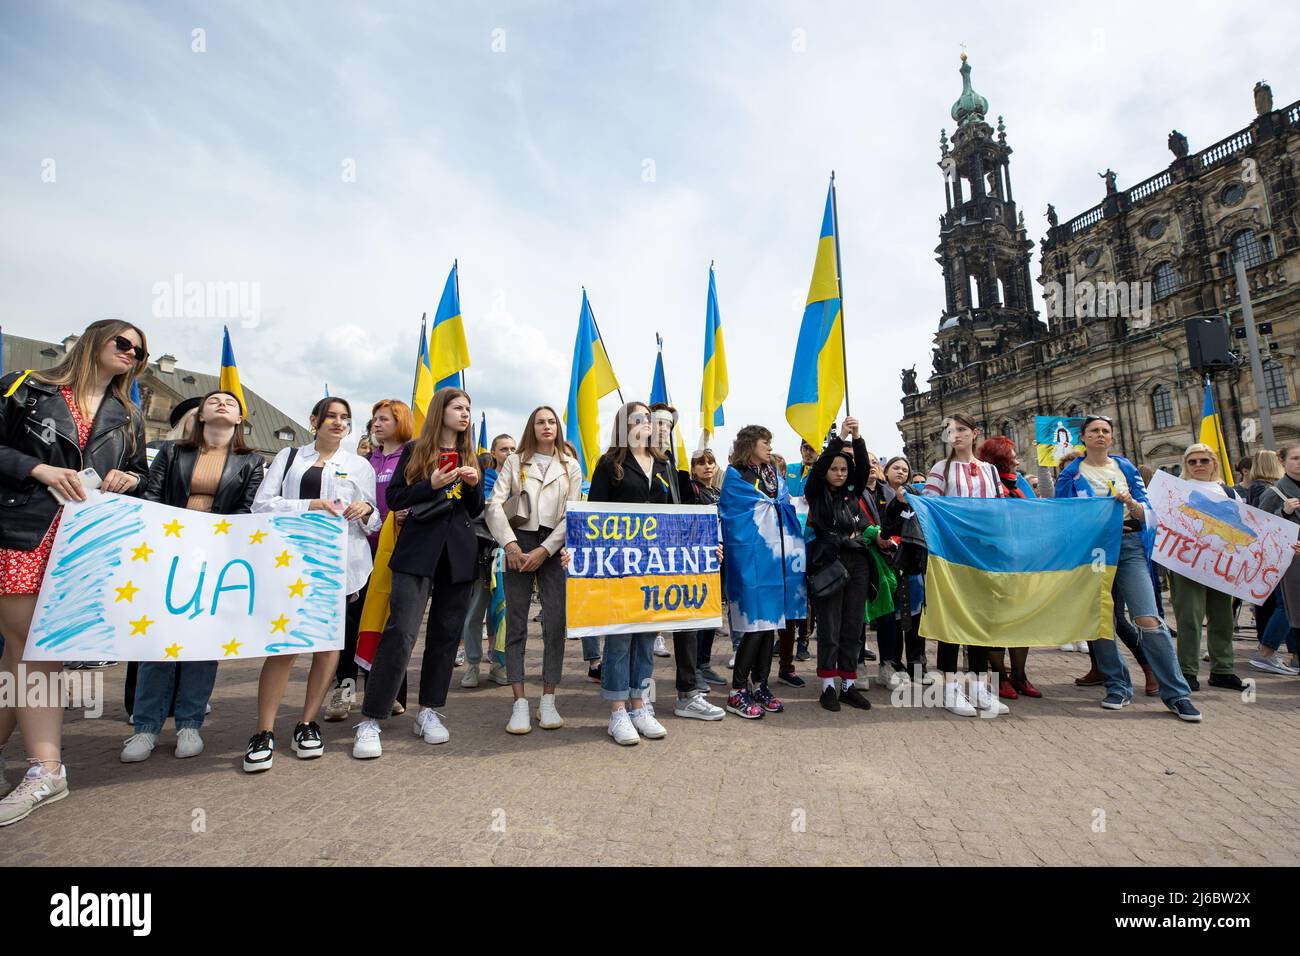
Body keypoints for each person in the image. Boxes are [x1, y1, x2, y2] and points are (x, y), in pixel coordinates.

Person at [0, 320, 150, 826]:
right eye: (123, 343)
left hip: (83, 546)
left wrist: (131, 478)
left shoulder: (129, 415)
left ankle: (40, 766)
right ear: (94, 341)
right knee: (33, 646)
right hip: (24, 530)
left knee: (25, 651)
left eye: (140, 350)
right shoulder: (26, 387)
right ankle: (47, 769)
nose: (133, 353)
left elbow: (143, 476)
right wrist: (34, 467)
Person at [121, 390, 265, 762]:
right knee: (160, 640)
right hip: (170, 554)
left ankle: (189, 723)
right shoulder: (173, 452)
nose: (221, 404)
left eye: (230, 403)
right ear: (200, 415)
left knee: (203, 642)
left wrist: (217, 541)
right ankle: (146, 729)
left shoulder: (251, 461)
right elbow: (152, 497)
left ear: (238, 420)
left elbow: (248, 510)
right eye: (214, 401)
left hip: (216, 559)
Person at [247, 396, 379, 771]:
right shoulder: (290, 457)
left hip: (339, 564)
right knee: (284, 646)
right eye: (331, 417)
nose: (338, 423)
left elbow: (373, 519)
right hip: (291, 562)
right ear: (315, 421)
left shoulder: (359, 465)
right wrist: (312, 505)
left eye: (345, 419)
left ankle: (307, 722)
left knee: (326, 646)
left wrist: (365, 511)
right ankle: (264, 730)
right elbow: (262, 506)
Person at [352, 387, 483, 758]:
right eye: (458, 407)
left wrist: (472, 486)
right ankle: (371, 717)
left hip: (457, 555)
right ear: (441, 411)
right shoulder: (414, 451)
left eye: (468, 408)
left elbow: (475, 510)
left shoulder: (472, 454)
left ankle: (429, 711)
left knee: (444, 637)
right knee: (401, 633)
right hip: (416, 552)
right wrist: (432, 485)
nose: (465, 414)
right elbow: (394, 500)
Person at [1055, 414, 1201, 722]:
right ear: (1083, 437)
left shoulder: (1125, 468)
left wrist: (1131, 504)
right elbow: (1063, 518)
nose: (1100, 435)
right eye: (1094, 431)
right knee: (1102, 619)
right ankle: (1117, 684)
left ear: (1111, 437)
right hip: (1094, 551)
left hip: (1130, 545)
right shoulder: (1070, 474)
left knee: (1147, 617)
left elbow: (1148, 511)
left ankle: (1176, 692)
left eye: (1105, 431)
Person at [485, 407, 582, 734]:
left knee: (555, 621)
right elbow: (494, 505)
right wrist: (511, 546)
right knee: (516, 622)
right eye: (540, 421)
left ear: (558, 427)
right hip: (518, 540)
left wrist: (545, 550)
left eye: (551, 421)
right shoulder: (515, 460)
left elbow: (574, 514)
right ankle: (519, 701)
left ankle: (548, 699)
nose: (546, 426)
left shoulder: (571, 466)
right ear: (531, 426)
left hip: (553, 546)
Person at [587, 403, 674, 744]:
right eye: (637, 418)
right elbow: (594, 514)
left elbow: (676, 515)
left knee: (645, 638)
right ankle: (617, 711)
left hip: (654, 566)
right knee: (620, 638)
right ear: (624, 425)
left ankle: (641, 706)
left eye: (647, 419)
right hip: (620, 565)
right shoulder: (610, 464)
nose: (645, 423)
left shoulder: (665, 464)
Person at [325, 399, 413, 721]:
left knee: (391, 624)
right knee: (351, 625)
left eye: (384, 419)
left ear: (401, 422)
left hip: (396, 553)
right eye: (374, 420)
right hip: (358, 553)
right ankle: (344, 688)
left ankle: (386, 691)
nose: (376, 425)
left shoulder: (412, 458)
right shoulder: (361, 462)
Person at [922, 413, 1009, 717]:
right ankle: (948, 687)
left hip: (983, 553)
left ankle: (978, 686)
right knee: (953, 619)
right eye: (950, 430)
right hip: (952, 554)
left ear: (975, 433)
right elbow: (929, 510)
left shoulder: (990, 471)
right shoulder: (939, 469)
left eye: (961, 430)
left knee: (981, 619)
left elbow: (1000, 509)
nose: (955, 435)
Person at [647, 403, 726, 721]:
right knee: (642, 631)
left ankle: (688, 693)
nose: (663, 429)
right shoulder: (626, 465)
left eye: (669, 424)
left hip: (679, 561)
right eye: (657, 423)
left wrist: (710, 546)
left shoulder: (674, 471)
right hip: (643, 560)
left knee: (688, 624)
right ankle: (640, 696)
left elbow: (690, 519)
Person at [722, 424, 801, 719]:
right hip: (749, 560)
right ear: (749, 445)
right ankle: (737, 691)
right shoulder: (735, 476)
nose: (769, 447)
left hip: (774, 560)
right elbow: (733, 515)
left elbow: (785, 506)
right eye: (764, 442)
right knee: (753, 629)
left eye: (770, 442)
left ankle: (762, 685)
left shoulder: (774, 476)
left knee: (770, 628)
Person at [804, 418, 874, 712]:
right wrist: (840, 437)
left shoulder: (854, 492)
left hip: (856, 560)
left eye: (844, 469)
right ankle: (827, 686)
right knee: (830, 627)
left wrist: (857, 438)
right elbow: (819, 469)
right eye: (835, 469)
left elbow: (865, 471)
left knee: (852, 626)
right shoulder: (816, 493)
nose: (840, 473)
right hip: (828, 562)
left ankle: (848, 684)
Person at [1168, 444, 1245, 691]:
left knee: (1223, 618)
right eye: (1192, 462)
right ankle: (1187, 671)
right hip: (1187, 564)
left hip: (1222, 564)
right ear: (1185, 466)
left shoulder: (1230, 493)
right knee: (1189, 617)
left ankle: (1222, 669)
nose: (1199, 465)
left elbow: (1243, 527)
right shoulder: (1176, 490)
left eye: (1204, 460)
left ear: (1214, 463)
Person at [975, 435, 1041, 699]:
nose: (1016, 459)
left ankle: (1020, 674)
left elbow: (1036, 511)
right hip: (993, 561)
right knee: (996, 622)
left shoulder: (1019, 484)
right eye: (1011, 455)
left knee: (1021, 620)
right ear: (1000, 459)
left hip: (1019, 561)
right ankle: (1000, 676)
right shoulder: (986, 483)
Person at [458, 433, 514, 686]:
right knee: (474, 613)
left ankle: (499, 664)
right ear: (494, 453)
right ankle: (472, 664)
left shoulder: (522, 482)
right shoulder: (482, 480)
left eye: (514, 448)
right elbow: (480, 511)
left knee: (502, 613)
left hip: (511, 555)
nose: (510, 453)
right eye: (504, 449)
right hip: (483, 554)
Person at [878, 455, 931, 685]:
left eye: (904, 469)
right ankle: (894, 664)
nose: (901, 472)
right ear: (886, 471)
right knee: (896, 619)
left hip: (914, 565)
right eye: (896, 468)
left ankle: (917, 666)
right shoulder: (886, 498)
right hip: (890, 564)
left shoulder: (917, 497)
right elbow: (886, 528)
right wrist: (898, 503)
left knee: (916, 616)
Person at [1255, 444, 1300, 676]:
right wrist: (1283, 512)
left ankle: (1295, 656)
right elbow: (1261, 527)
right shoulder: (1274, 493)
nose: (1299, 462)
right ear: (1282, 462)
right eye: (1295, 458)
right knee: (1288, 608)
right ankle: (1266, 652)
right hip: (1286, 560)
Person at [689, 448, 727, 687]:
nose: (707, 467)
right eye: (701, 463)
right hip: (700, 560)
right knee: (698, 618)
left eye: (711, 462)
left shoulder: (718, 492)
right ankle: (693, 670)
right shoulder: (692, 491)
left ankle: (704, 664)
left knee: (712, 616)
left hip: (720, 559)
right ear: (693, 469)